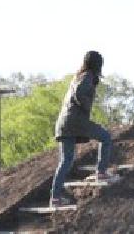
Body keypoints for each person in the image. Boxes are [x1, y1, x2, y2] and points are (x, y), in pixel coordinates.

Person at [50, 50, 116, 207]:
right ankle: (101, 172)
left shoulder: (78, 76)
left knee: (66, 160)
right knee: (105, 137)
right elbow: (79, 93)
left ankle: (55, 197)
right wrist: (86, 107)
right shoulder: (87, 76)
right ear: (97, 64)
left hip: (63, 123)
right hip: (75, 121)